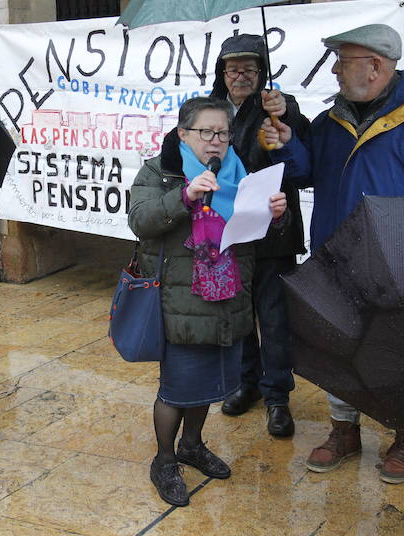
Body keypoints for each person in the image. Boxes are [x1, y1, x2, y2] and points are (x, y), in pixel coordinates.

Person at [261, 24, 404, 484]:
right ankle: (345, 429)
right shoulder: (328, 122)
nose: (336, 71)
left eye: (344, 61)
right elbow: (305, 174)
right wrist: (285, 144)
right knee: (339, 346)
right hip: (336, 259)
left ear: (376, 65)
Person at [130, 96, 287, 506]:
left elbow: (253, 237)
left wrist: (276, 215)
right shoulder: (160, 172)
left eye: (223, 133)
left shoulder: (241, 175)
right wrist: (184, 196)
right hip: (180, 300)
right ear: (183, 134)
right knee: (177, 387)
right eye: (206, 133)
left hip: (228, 298)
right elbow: (140, 221)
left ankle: (192, 445)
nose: (216, 142)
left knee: (208, 385)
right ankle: (165, 460)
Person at [210, 34, 311, 437]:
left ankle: (277, 398)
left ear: (261, 73)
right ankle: (245, 384)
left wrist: (284, 117)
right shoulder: (210, 111)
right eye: (233, 69)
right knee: (237, 319)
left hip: (272, 232)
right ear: (222, 73)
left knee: (273, 319)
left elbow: (301, 159)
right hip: (229, 233)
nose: (241, 76)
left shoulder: (280, 108)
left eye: (249, 69)